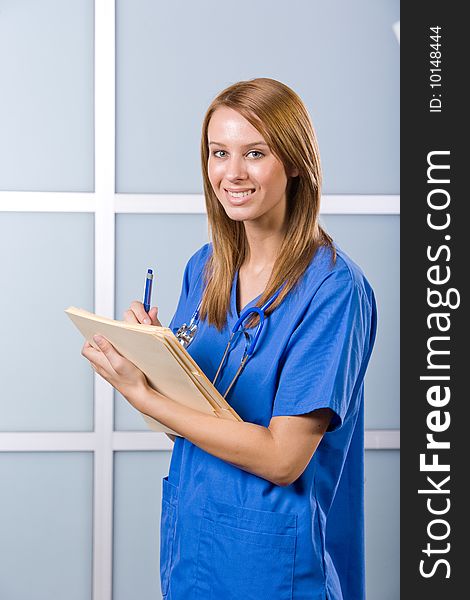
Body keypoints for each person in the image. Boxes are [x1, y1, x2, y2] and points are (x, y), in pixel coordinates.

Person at [82, 77, 377, 600]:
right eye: (220, 153)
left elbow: (282, 459)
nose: (232, 173)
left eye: (255, 153)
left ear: (294, 162)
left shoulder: (334, 289)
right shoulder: (207, 268)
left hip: (275, 567)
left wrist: (142, 393)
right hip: (194, 549)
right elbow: (188, 428)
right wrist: (157, 362)